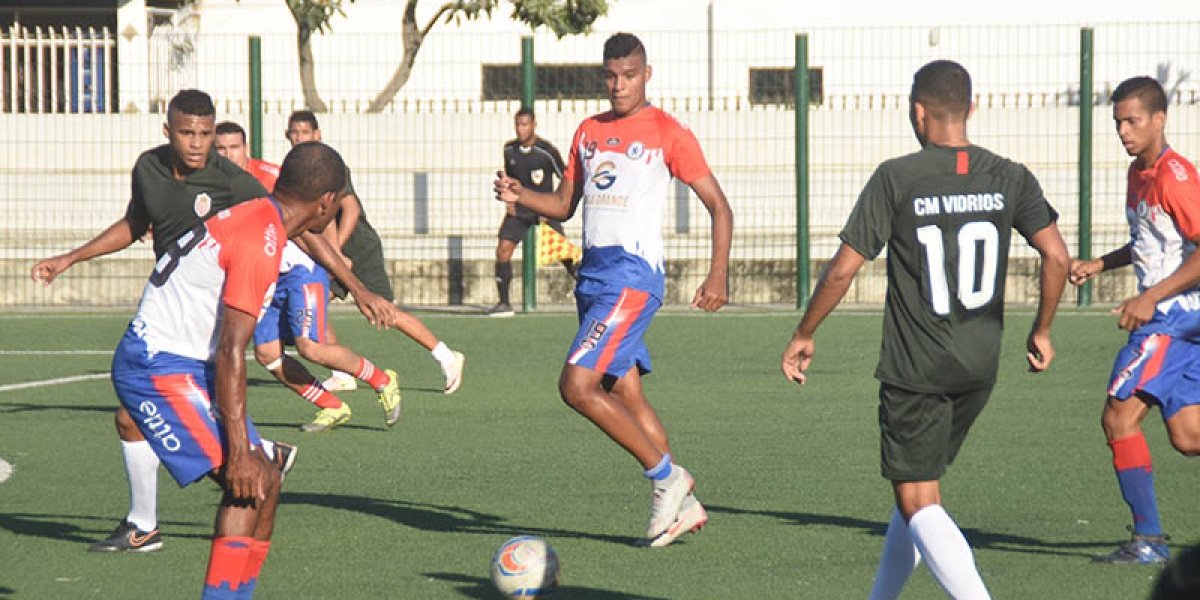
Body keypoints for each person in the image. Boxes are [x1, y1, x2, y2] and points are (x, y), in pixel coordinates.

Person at [29, 90, 389, 553]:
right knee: (176, 440)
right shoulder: (150, 170)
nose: (197, 144)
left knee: (248, 476)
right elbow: (135, 222)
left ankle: (160, 525)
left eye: (205, 133)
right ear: (168, 131)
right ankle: (150, 524)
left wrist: (355, 287)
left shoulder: (239, 188)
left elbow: (296, 225)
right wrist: (72, 257)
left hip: (194, 331)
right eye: (187, 133)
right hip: (174, 327)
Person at [780, 60, 1069, 599]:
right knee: (914, 492)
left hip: (918, 370)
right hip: (979, 366)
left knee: (919, 501)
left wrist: (805, 332)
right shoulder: (1011, 175)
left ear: (918, 112)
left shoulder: (898, 177)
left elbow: (844, 267)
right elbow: (1055, 255)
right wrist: (1043, 329)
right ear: (971, 109)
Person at [494, 33, 733, 548]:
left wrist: (718, 273)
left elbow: (720, 206)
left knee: (577, 386)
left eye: (629, 75)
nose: (619, 85)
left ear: (647, 74)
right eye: (611, 75)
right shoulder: (588, 131)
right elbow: (562, 205)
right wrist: (521, 198)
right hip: (594, 278)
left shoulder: (668, 132)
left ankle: (668, 479)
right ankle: (682, 506)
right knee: (624, 391)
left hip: (633, 278)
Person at [110, 140, 347, 599]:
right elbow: (232, 351)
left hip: (183, 362)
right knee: (249, 482)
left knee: (269, 479)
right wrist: (239, 450)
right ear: (326, 203)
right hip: (155, 364)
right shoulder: (264, 237)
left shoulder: (264, 217)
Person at [1067, 76, 1200, 565]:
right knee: (1188, 436)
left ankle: (1149, 541)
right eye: (1118, 121)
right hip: (1178, 317)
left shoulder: (1175, 176)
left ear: (1159, 120)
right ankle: (1149, 541)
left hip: (1175, 317)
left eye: (1133, 121)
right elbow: (1151, 241)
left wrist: (1151, 299)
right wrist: (1101, 264)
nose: (1123, 130)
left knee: (1118, 416)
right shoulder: (1137, 173)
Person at [216, 121, 403, 432]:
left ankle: (382, 380)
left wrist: (350, 279)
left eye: (233, 147)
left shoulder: (266, 180)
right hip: (263, 278)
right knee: (267, 355)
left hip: (300, 272)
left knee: (310, 347)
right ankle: (332, 405)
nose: (227, 154)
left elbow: (305, 229)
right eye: (220, 149)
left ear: (245, 149)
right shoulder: (209, 185)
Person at [283, 110, 466, 394]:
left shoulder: (330, 166)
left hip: (359, 248)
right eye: (294, 132)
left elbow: (351, 209)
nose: (298, 138)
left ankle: (447, 357)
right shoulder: (295, 169)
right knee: (315, 300)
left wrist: (336, 253)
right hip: (330, 252)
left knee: (384, 311)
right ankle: (340, 372)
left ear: (317, 135)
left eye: (304, 132)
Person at [488, 107, 576, 318]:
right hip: (520, 209)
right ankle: (504, 303)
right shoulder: (509, 150)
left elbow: (566, 178)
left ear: (534, 125)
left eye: (525, 124)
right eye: (518, 125)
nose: (521, 129)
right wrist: (507, 198)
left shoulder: (546, 151)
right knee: (503, 250)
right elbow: (509, 176)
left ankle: (589, 290)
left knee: (564, 253)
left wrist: (555, 203)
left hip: (544, 208)